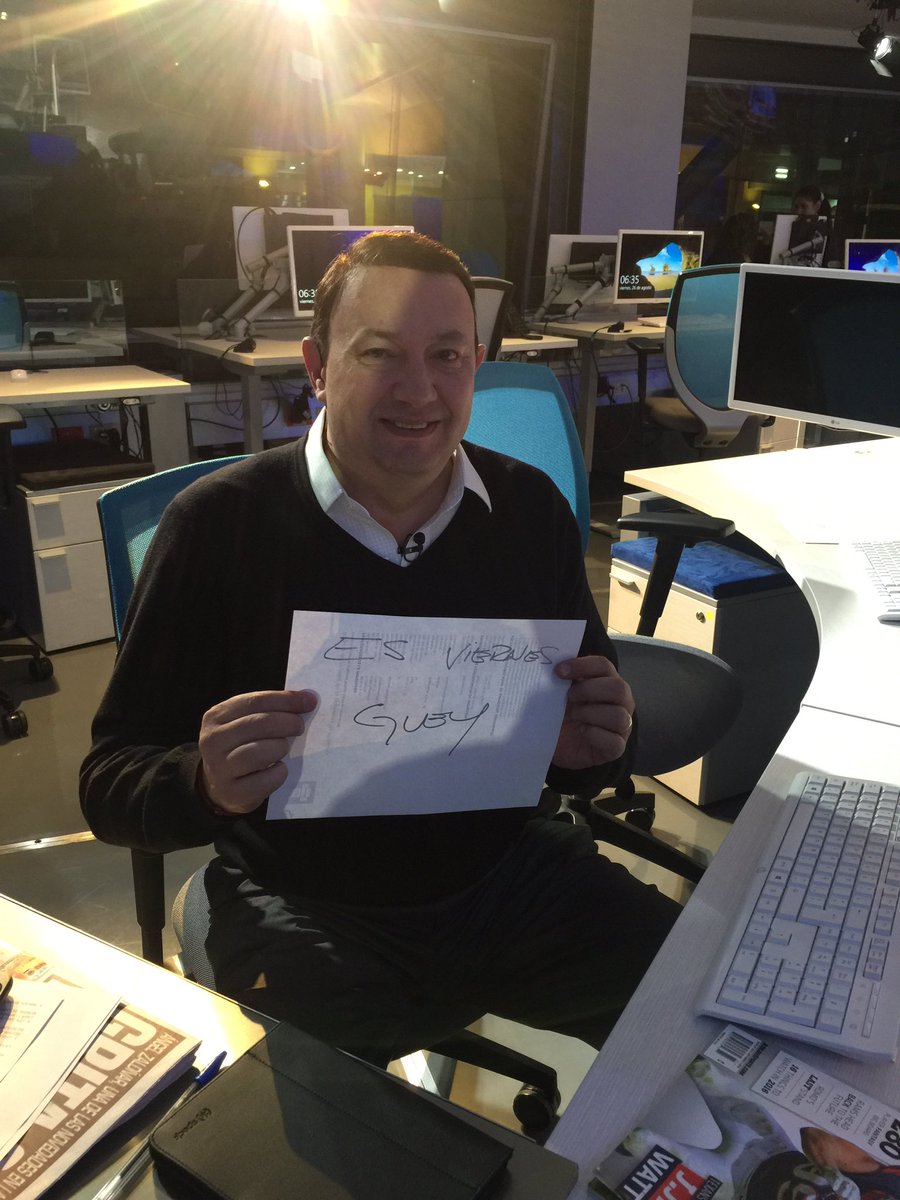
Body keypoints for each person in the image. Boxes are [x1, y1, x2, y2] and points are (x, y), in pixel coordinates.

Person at [79, 231, 679, 1065]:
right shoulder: (219, 526)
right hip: (306, 902)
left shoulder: (528, 511)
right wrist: (203, 782)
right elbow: (109, 782)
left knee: (713, 1012)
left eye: (447, 356)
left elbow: (589, 742)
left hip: (508, 875)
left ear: (476, 365)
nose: (419, 390)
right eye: (379, 354)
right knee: (333, 1121)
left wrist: (593, 751)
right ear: (318, 367)